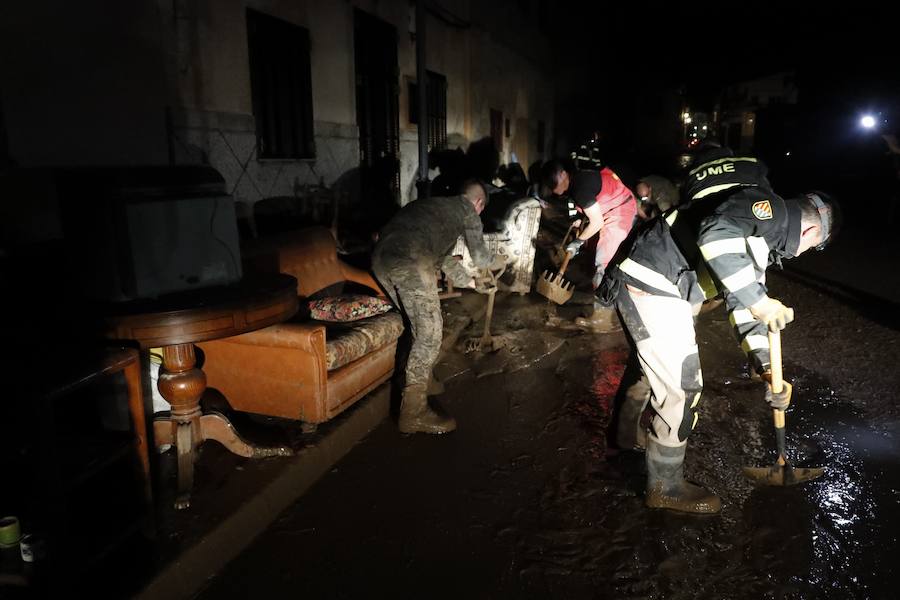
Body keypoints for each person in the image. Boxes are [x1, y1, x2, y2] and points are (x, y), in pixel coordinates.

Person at [599, 146, 841, 514]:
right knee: (682, 386)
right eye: (813, 247)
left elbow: (742, 300)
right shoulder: (769, 211)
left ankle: (623, 437)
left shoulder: (759, 229)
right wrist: (760, 301)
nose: (802, 253)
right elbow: (716, 238)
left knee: (652, 369)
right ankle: (664, 487)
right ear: (810, 231)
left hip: (644, 276)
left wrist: (767, 368)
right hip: (654, 282)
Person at [372, 180, 503, 434]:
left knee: (416, 324)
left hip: (381, 258)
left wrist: (473, 282)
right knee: (430, 333)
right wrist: (498, 259)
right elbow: (481, 256)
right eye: (481, 209)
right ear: (478, 203)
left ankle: (424, 380)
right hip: (410, 258)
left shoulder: (436, 207)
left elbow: (443, 258)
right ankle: (413, 413)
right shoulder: (467, 211)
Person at [540, 159, 637, 332]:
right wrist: (581, 219)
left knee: (603, 262)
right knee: (593, 254)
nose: (553, 188)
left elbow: (597, 222)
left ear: (563, 174)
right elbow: (594, 204)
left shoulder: (579, 186)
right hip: (611, 209)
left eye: (553, 182)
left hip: (620, 211)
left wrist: (577, 242)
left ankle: (603, 319)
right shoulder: (576, 184)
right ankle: (613, 298)